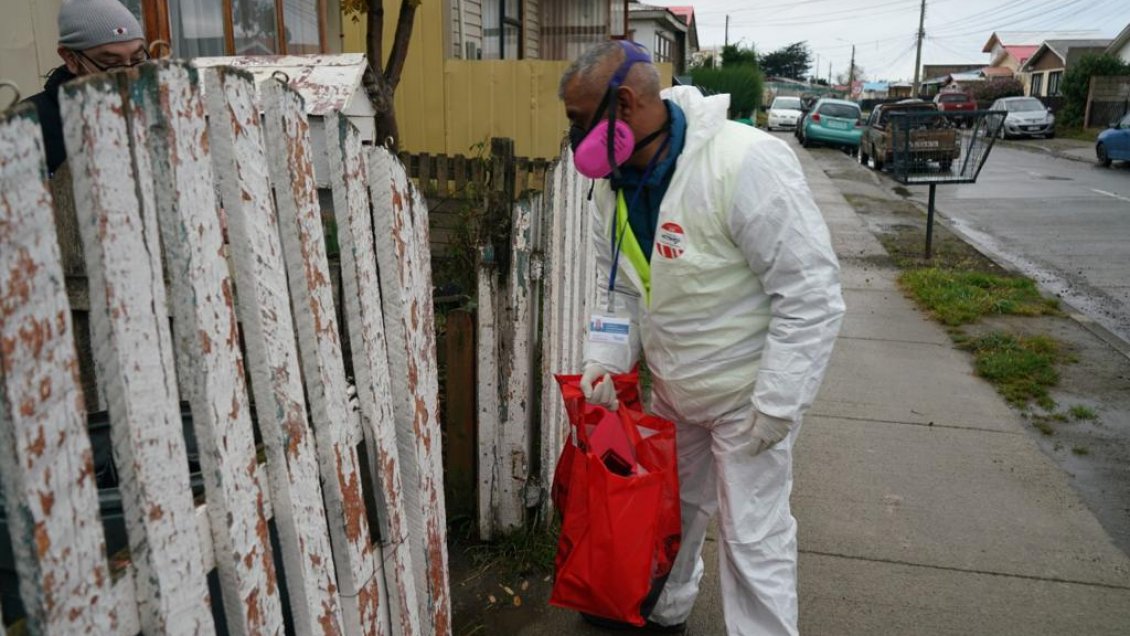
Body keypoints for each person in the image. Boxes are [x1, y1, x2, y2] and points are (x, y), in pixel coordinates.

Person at [559, 40, 845, 635]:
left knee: (753, 536)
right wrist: (603, 363)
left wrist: (777, 405)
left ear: (628, 102)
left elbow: (810, 294)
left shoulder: (743, 163)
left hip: (747, 397)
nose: (573, 138)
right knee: (673, 516)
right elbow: (619, 289)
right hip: (675, 390)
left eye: (579, 122)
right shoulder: (611, 188)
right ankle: (667, 610)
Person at [24, 0, 148, 174]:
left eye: (137, 59)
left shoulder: (159, 108)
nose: (128, 74)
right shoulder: (26, 128)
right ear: (71, 59)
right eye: (111, 63)